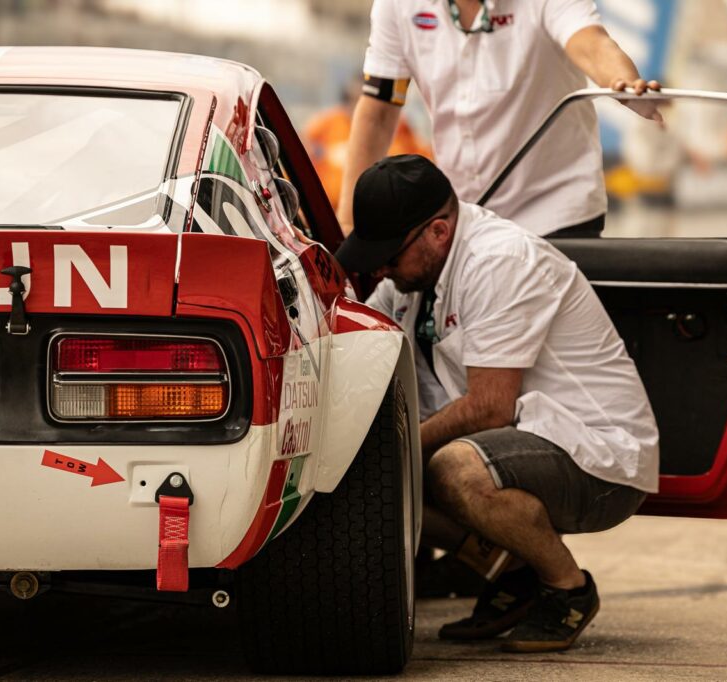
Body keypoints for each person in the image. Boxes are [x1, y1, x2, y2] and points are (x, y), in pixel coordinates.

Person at [336, 154, 659, 652]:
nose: (380, 269)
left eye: (389, 256)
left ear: (438, 233)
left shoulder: (499, 260)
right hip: (522, 447)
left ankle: (566, 589)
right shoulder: (412, 279)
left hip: (597, 460)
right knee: (390, 470)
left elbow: (490, 408)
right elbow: (358, 341)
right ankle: (514, 571)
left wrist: (382, 452)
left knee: (446, 468)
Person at [335, 0, 661, 239]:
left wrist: (622, 81)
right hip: (465, 215)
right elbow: (378, 111)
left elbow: (591, 43)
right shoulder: (397, 6)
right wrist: (349, 224)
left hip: (557, 209)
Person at [303, 76, 430, 211]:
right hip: (331, 215)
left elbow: (422, 166)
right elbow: (302, 163)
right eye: (355, 101)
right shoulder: (325, 126)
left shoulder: (398, 127)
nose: (362, 110)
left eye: (371, 104)